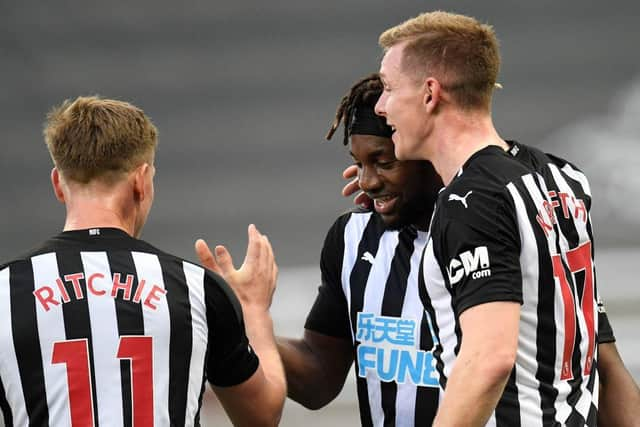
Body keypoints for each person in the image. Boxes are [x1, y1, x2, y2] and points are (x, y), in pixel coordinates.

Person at [372, 10, 638, 426]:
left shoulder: (471, 200)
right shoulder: (560, 177)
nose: (381, 105)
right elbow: (602, 354)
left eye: (388, 88)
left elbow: (488, 360)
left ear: (430, 93)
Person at [0, 96, 285, 426]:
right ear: (142, 180)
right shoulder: (195, 289)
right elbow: (262, 416)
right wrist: (252, 309)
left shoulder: (5, 292)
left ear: (58, 184)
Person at [196, 74, 444, 426]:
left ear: (427, 149)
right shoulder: (353, 238)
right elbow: (319, 378)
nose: (368, 182)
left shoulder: (492, 229)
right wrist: (242, 323)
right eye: (360, 164)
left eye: (384, 162)